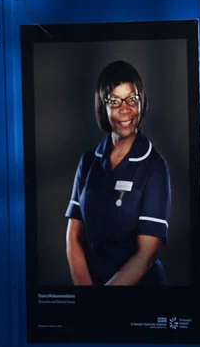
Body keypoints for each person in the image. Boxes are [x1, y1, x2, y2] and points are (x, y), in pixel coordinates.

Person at [65, 60, 172, 286]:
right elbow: (73, 236)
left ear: (141, 101)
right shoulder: (89, 161)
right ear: (102, 106)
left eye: (132, 99)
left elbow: (146, 255)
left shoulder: (154, 167)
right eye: (115, 101)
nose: (125, 109)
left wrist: (105, 300)